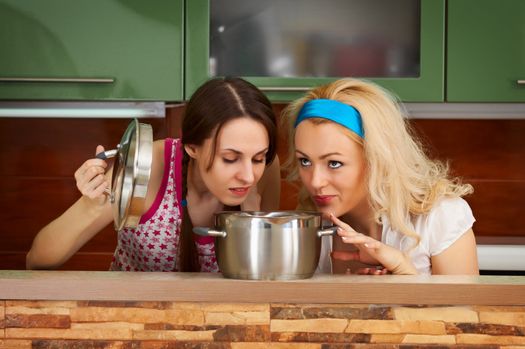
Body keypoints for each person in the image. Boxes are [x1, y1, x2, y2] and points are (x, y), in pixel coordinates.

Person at [27, 77, 281, 272]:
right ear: (191, 147)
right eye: (230, 158)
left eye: (258, 157)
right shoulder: (144, 166)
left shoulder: (266, 171)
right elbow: (37, 260)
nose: (248, 175)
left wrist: (253, 219)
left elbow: (265, 274)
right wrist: (91, 205)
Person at [282, 78, 479, 275]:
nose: (315, 181)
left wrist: (406, 275)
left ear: (378, 160)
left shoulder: (439, 218)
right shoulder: (308, 227)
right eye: (305, 161)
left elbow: (466, 307)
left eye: (334, 163)